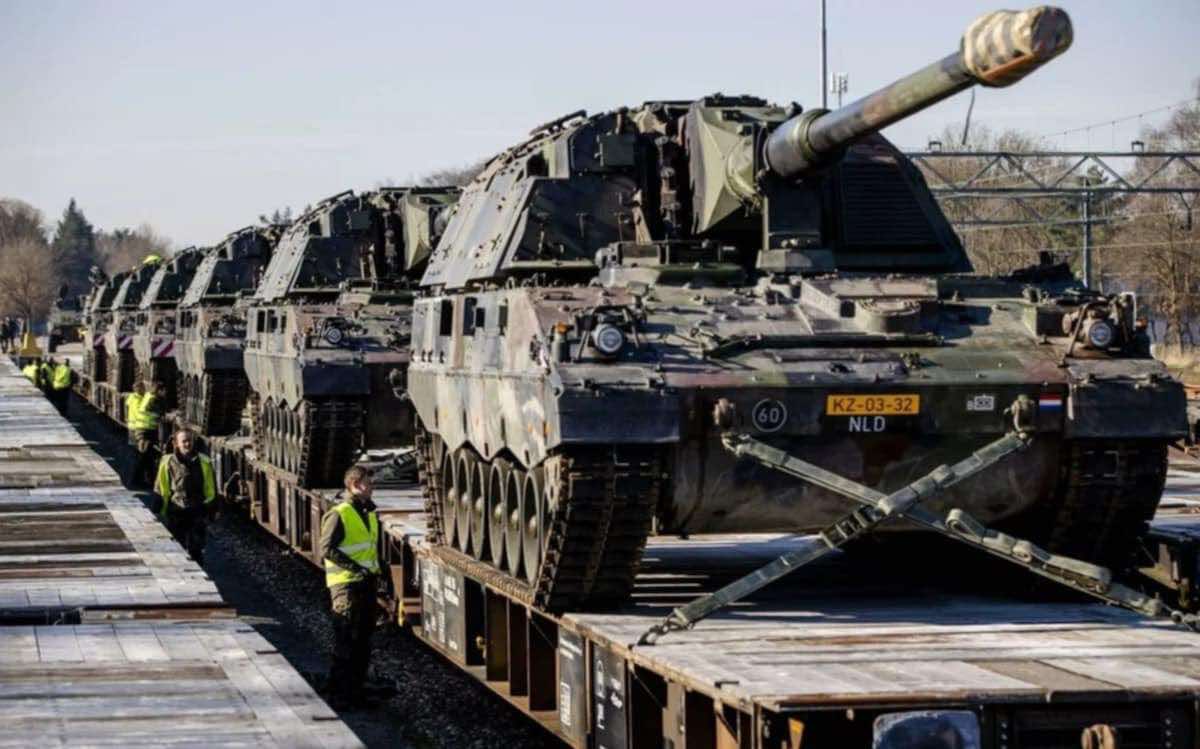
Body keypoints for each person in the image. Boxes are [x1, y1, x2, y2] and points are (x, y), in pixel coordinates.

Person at [321, 465, 380, 709]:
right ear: (355, 485)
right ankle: (338, 695)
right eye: (368, 482)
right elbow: (327, 548)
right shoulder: (340, 513)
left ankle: (356, 692)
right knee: (346, 639)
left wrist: (378, 570)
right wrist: (356, 569)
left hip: (366, 584)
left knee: (362, 642)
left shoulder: (368, 512)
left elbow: (369, 548)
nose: (372, 487)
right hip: (346, 586)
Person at [155, 428, 217, 564]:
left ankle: (198, 570)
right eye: (184, 441)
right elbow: (162, 487)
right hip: (176, 510)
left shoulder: (204, 462)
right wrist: (160, 510)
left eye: (189, 441)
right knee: (177, 547)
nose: (187, 444)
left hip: (197, 509)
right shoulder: (167, 462)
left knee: (197, 547)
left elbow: (211, 488)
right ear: (176, 443)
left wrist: (211, 509)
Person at [124, 381, 162, 488]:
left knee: (143, 456)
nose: (143, 389)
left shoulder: (140, 397)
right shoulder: (147, 399)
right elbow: (150, 412)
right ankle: (136, 480)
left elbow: (127, 407)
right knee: (141, 456)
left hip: (137, 428)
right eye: (141, 388)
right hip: (140, 430)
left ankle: (144, 480)